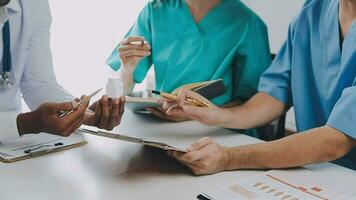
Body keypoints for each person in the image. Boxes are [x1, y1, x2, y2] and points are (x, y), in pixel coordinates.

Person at [164, 0, 356, 175]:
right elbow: (275, 96)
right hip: (311, 171)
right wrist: (217, 114)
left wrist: (229, 158)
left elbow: (336, 140)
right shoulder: (313, 12)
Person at [107, 0, 271, 122]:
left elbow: (256, 103)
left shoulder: (247, 23)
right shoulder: (156, 10)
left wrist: (200, 115)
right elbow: (117, 93)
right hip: (162, 125)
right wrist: (126, 68)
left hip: (220, 131)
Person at [0, 0, 124, 141]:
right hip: (14, 133)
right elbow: (28, 122)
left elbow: (38, 85)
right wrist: (25, 123)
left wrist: (81, 114)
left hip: (11, 143)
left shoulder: (33, 4)